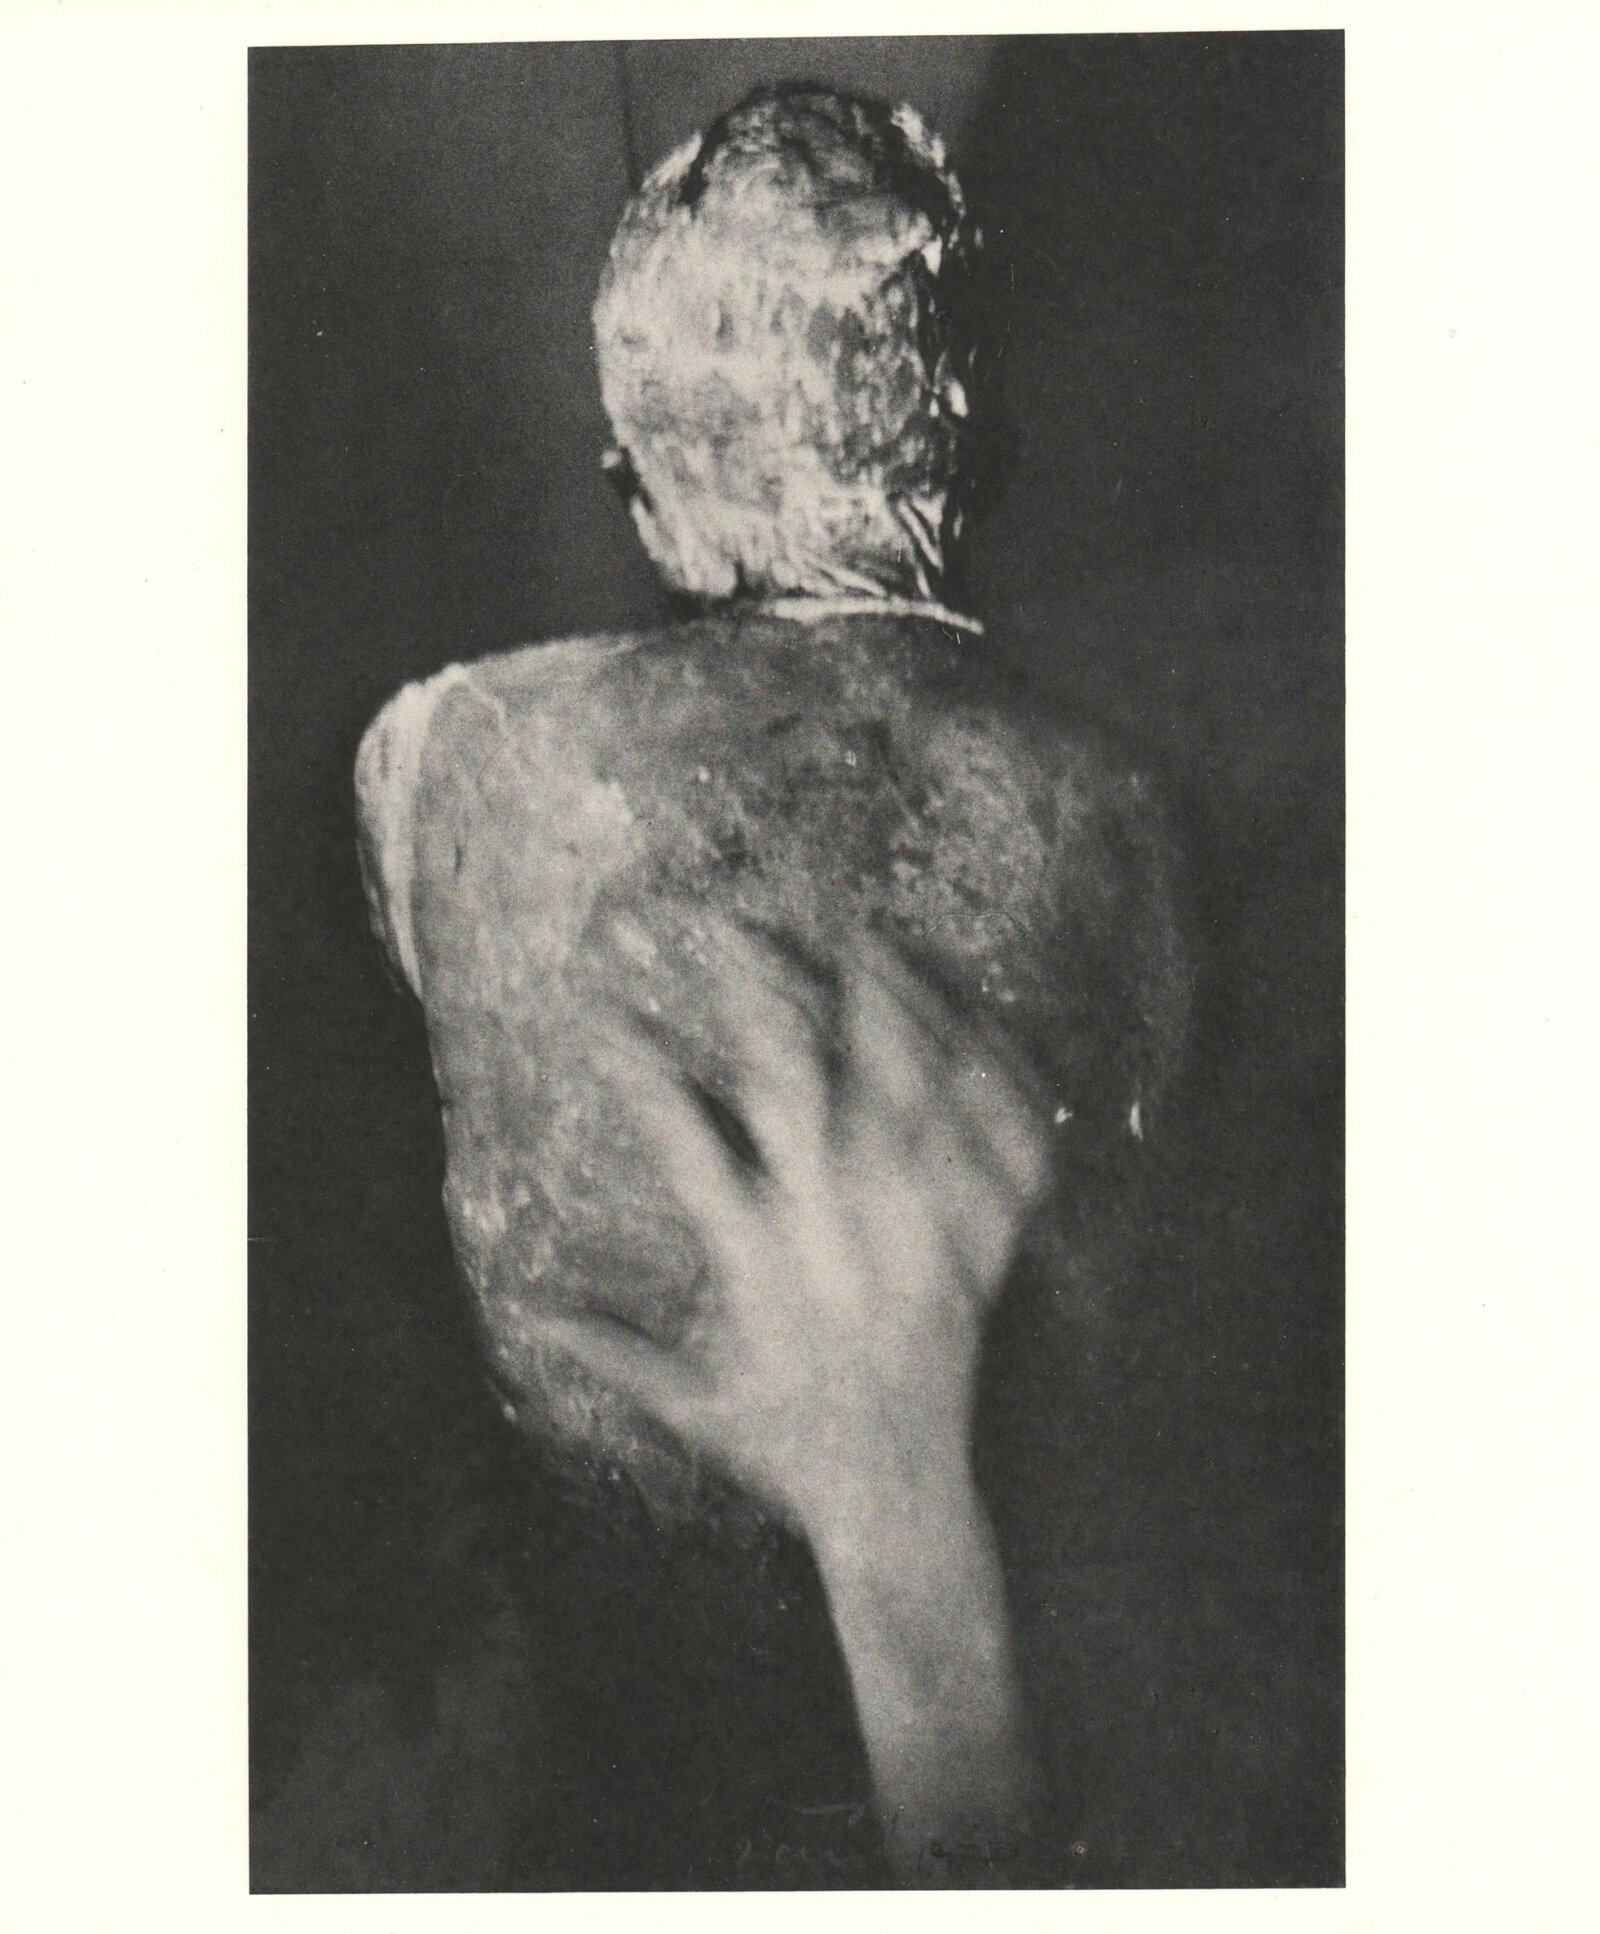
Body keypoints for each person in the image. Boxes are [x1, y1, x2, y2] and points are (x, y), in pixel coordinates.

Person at [353, 84, 1189, 1886]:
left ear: (642, 500)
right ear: (972, 463)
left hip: (593, 1766)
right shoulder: (1128, 823)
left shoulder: (438, 760)